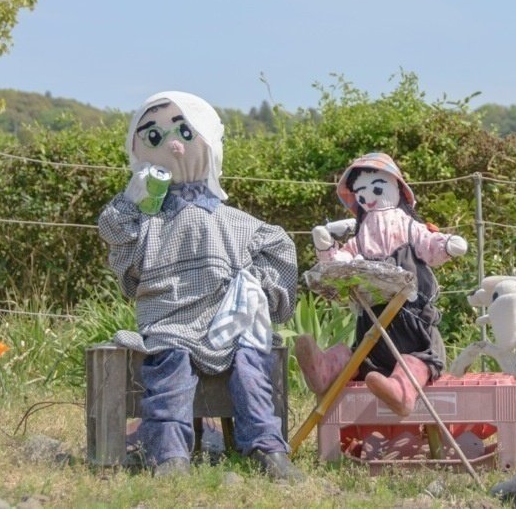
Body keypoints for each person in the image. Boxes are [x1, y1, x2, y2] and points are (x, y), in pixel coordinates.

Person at [98, 91, 301, 479]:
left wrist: (254, 287)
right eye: (153, 136)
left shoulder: (234, 221)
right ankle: (170, 455)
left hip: (229, 323)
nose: (174, 145)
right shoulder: (147, 221)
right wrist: (133, 197)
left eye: (186, 132)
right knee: (169, 373)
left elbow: (278, 251)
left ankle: (267, 448)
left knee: (252, 366)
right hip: (169, 322)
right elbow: (114, 232)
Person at [295, 152, 467, 416]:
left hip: (413, 328)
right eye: (360, 192)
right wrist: (327, 248)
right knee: (356, 355)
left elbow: (428, 245)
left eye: (376, 187)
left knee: (415, 362)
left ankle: (401, 390)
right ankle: (326, 368)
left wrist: (446, 245)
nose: (369, 196)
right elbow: (341, 261)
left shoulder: (408, 226)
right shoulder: (362, 234)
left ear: (395, 186)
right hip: (372, 328)